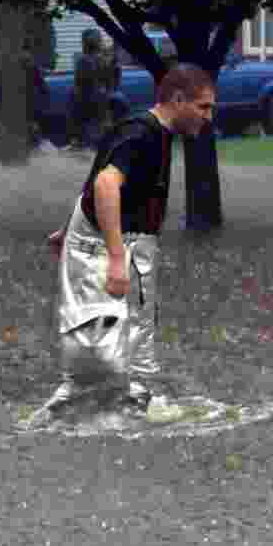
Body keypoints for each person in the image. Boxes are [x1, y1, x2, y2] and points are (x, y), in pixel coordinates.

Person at [37, 63, 216, 422]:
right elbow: (105, 185)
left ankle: (137, 403)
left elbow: (97, 178)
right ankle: (63, 418)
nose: (208, 118)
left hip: (119, 241)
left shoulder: (147, 132)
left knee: (135, 336)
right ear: (178, 100)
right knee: (97, 342)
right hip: (108, 247)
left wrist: (67, 228)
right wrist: (117, 258)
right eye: (203, 107)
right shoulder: (142, 133)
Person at [67, 29, 105, 150]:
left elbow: (79, 81)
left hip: (86, 98)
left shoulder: (84, 60)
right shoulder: (96, 59)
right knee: (92, 128)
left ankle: (81, 144)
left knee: (83, 128)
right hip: (92, 98)